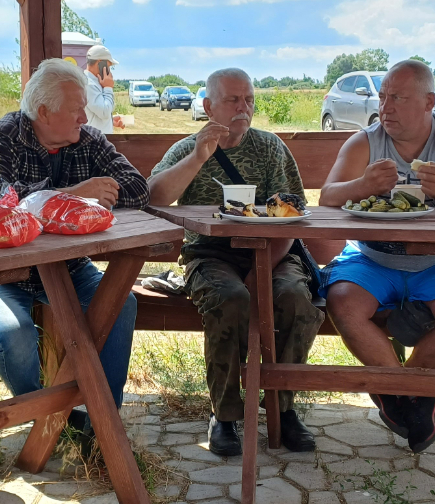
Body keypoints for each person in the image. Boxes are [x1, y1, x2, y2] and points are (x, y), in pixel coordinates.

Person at [0, 58, 148, 437]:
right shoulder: (0, 136)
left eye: (84, 106)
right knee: (16, 333)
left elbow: (138, 189)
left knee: (122, 303)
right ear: (43, 112)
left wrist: (98, 193)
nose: (85, 116)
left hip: (68, 269)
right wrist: (68, 196)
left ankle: (103, 422)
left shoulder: (89, 141)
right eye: (76, 108)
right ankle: (48, 421)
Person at [148, 67, 322, 457]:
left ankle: (283, 409)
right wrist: (198, 156)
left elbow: (293, 213)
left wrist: (259, 269)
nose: (243, 108)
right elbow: (154, 196)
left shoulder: (270, 147)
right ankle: (224, 416)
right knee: (230, 299)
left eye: (249, 100)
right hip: (210, 254)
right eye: (232, 100)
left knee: (294, 296)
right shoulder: (187, 148)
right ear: (208, 106)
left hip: (275, 249)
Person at [315, 60, 435, 453]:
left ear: (428, 102)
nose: (386, 106)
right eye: (383, 96)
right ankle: (411, 397)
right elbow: (327, 198)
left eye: (398, 97)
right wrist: (361, 184)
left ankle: (399, 390)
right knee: (343, 302)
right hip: (372, 259)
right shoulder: (364, 142)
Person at [83, 45, 126, 133]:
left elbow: (98, 112)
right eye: (108, 66)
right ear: (100, 63)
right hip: (95, 142)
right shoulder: (88, 84)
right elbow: (104, 112)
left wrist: (110, 121)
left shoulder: (94, 82)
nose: (109, 70)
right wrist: (108, 87)